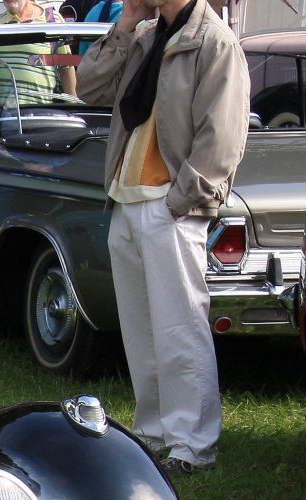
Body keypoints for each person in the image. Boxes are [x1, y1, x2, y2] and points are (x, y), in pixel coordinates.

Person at [77, 0, 247, 475]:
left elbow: (222, 133)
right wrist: (126, 21)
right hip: (127, 199)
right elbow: (89, 87)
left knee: (179, 327)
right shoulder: (145, 34)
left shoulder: (213, 41)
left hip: (170, 204)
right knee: (141, 330)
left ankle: (192, 445)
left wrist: (181, 200)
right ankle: (152, 436)